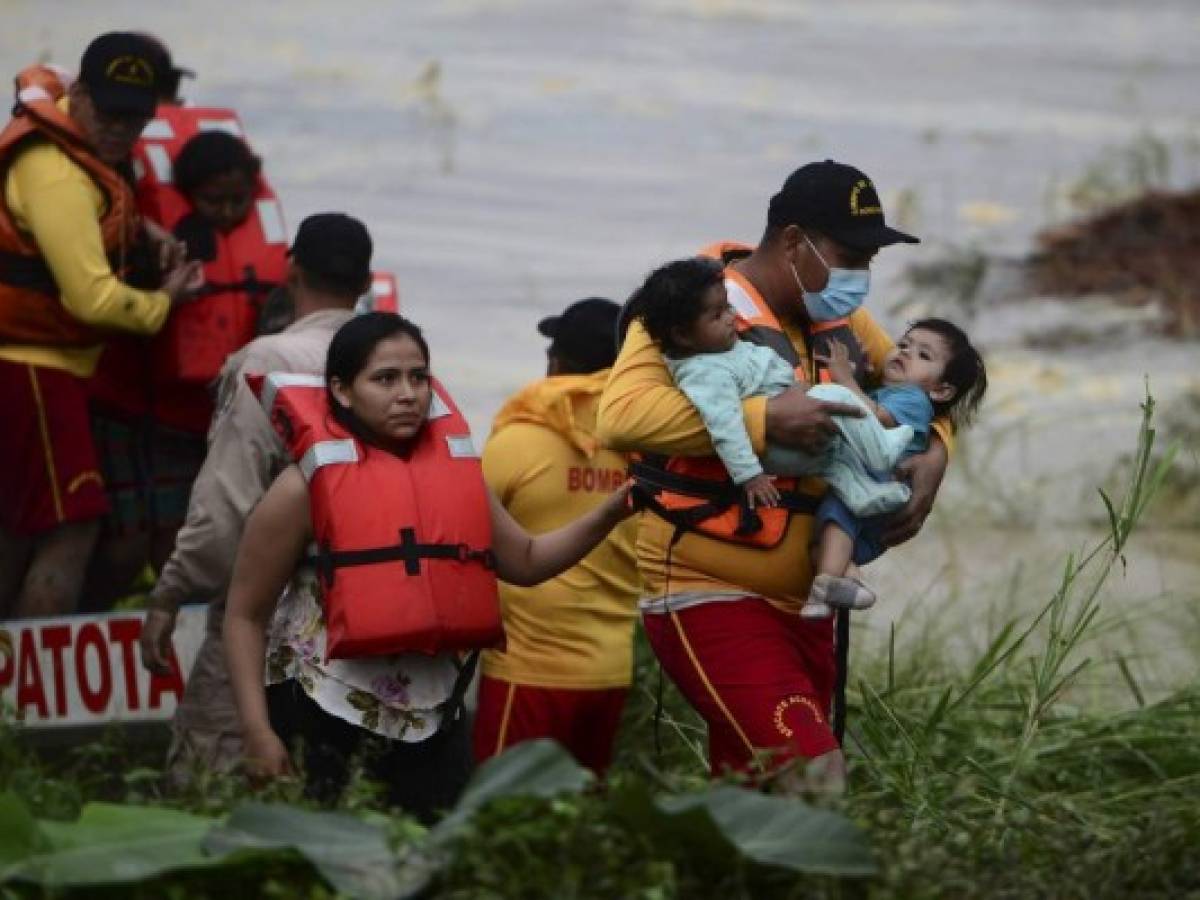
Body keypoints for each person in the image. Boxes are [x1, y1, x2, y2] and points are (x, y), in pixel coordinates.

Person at [598, 160, 953, 790]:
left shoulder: (836, 321)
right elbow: (621, 416)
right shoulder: (696, 305)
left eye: (871, 259)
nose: (862, 275)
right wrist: (763, 420)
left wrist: (937, 451)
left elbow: (914, 385)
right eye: (851, 255)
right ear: (794, 242)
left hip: (805, 605)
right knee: (815, 778)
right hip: (708, 586)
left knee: (753, 802)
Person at [223, 312, 632, 818]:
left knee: (433, 858)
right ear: (342, 391)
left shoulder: (458, 478)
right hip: (320, 708)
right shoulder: (301, 490)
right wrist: (257, 731)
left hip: (435, 715)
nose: (408, 393)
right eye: (385, 379)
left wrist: (613, 510)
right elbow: (244, 615)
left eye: (419, 377)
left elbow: (526, 561)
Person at [138, 213, 365, 784]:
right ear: (364, 283)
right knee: (341, 782)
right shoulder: (400, 366)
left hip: (265, 614)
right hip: (369, 611)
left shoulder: (269, 363)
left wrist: (170, 595)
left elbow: (225, 507)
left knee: (210, 783)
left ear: (290, 269)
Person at [0, 33, 202, 619]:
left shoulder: (69, 127)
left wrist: (142, 230)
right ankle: (38, 694)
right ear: (81, 95)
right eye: (110, 114)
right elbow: (90, 300)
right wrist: (164, 301)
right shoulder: (55, 171)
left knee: (17, 529)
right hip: (34, 370)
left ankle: (12, 693)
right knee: (75, 525)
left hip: (37, 369)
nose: (120, 133)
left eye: (135, 120)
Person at [86, 129, 281, 609]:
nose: (230, 211)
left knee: (180, 540)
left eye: (240, 200)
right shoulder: (150, 240)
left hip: (204, 421)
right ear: (189, 195)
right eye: (215, 201)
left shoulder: (268, 249)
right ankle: (90, 619)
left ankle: (166, 622)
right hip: (131, 413)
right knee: (123, 549)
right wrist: (166, 289)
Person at [630, 255, 917, 540]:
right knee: (833, 396)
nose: (731, 317)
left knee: (835, 462)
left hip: (787, 444)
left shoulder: (717, 348)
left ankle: (863, 496)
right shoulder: (705, 372)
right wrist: (748, 475)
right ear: (682, 336)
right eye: (717, 315)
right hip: (776, 449)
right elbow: (724, 425)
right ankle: (883, 448)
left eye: (728, 306)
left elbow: (908, 369)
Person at [472, 298, 640, 775]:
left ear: (556, 363)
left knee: (500, 815)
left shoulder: (515, 442)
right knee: (576, 824)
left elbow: (461, 535)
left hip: (526, 671)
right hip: (612, 669)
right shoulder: (647, 445)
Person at [805, 319, 986, 617]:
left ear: (941, 392)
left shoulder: (913, 401)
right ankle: (850, 581)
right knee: (822, 541)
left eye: (923, 355)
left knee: (837, 519)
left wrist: (844, 379)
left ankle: (823, 592)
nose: (904, 352)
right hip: (874, 488)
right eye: (903, 344)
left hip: (874, 487)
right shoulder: (893, 392)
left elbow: (872, 417)